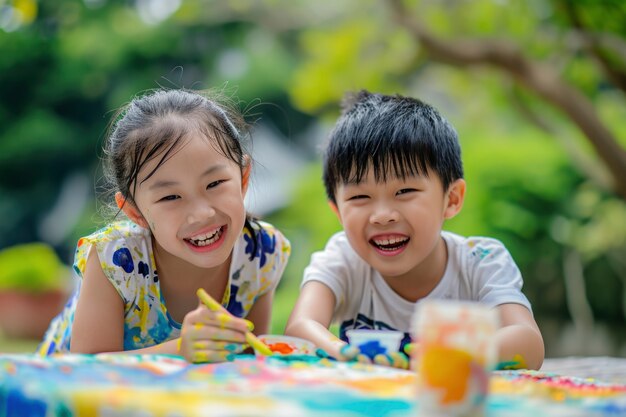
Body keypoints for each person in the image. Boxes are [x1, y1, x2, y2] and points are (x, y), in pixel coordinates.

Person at [285, 90, 544, 370]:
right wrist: (351, 355)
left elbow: (528, 343)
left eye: (405, 191)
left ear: (452, 199)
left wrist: (448, 353)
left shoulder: (481, 261)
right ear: (337, 210)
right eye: (360, 197)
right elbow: (300, 328)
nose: (382, 216)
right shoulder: (344, 259)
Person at [38, 89, 291, 363]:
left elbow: (249, 357)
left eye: (214, 184)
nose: (201, 214)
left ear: (243, 179)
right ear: (135, 212)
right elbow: (85, 368)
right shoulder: (116, 260)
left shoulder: (262, 252)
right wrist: (180, 350)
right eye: (171, 197)